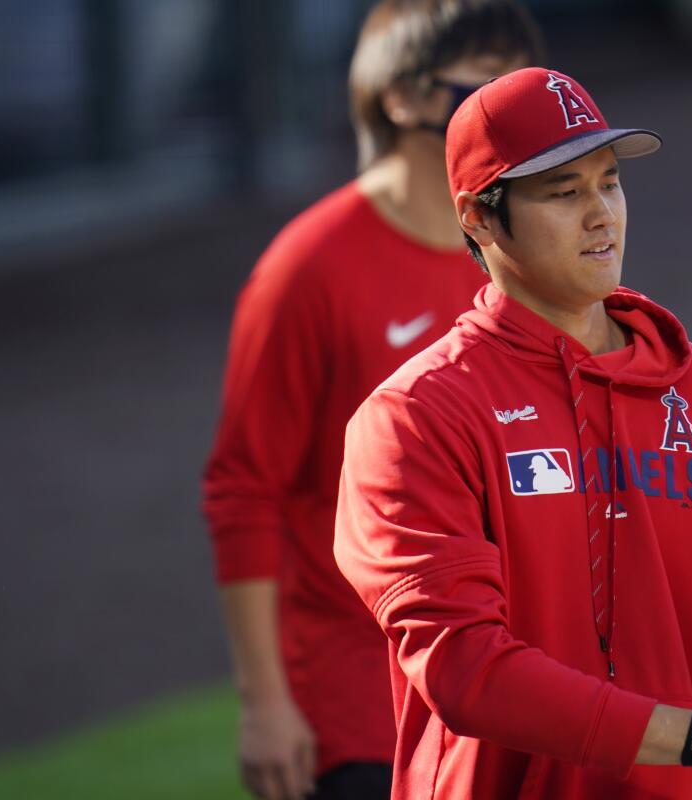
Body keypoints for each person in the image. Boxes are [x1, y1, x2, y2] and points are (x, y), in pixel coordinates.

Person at [333, 67, 692, 798]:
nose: (602, 215)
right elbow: (465, 668)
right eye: (564, 193)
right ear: (478, 218)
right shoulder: (416, 420)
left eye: (610, 183)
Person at [200, 4, 542, 799]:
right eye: (486, 74)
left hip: (513, 696)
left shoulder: (523, 257)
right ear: (405, 99)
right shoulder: (308, 268)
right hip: (359, 710)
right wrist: (264, 703)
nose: (507, 99)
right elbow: (243, 489)